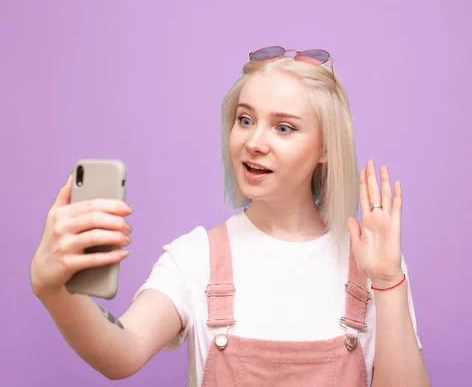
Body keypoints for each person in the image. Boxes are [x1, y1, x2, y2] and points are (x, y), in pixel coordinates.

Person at [30, 46, 430, 387]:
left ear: (326, 147)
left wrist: (387, 281)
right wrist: (54, 290)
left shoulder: (372, 265)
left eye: (284, 128)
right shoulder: (194, 258)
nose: (254, 143)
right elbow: (122, 351)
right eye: (245, 119)